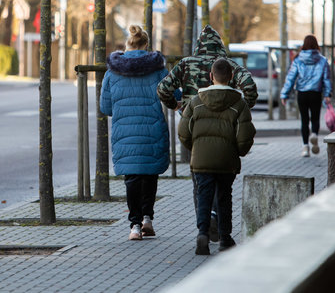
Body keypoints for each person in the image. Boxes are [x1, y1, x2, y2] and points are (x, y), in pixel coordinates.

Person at [157, 24, 257, 242]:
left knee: (200, 179)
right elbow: (249, 85)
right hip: (225, 128)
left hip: (196, 125)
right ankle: (219, 226)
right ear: (219, 46)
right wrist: (243, 108)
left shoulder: (186, 64)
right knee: (223, 186)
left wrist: (177, 107)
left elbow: (163, 88)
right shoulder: (227, 64)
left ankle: (203, 225)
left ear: (199, 45)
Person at [178, 58, 256, 255]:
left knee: (203, 195)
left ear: (211, 77)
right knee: (224, 197)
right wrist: (237, 152)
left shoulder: (195, 102)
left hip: (201, 159)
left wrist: (195, 148)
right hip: (226, 160)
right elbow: (245, 135)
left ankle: (202, 234)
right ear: (231, 78)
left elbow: (184, 132)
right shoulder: (239, 104)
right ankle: (225, 238)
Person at [100, 25, 170, 241]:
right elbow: (171, 93)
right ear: (146, 46)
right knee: (150, 174)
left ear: (127, 44)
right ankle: (148, 217)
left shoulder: (112, 72)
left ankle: (134, 226)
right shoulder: (158, 69)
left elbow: (106, 108)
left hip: (125, 131)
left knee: (132, 178)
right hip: (152, 128)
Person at [280, 35, 332, 157]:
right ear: (316, 45)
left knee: (304, 120)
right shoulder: (323, 60)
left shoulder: (297, 60)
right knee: (315, 118)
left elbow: (291, 78)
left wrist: (285, 94)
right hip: (316, 93)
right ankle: (314, 134)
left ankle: (305, 148)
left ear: (304, 45)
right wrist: (327, 94)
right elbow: (327, 79)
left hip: (302, 94)